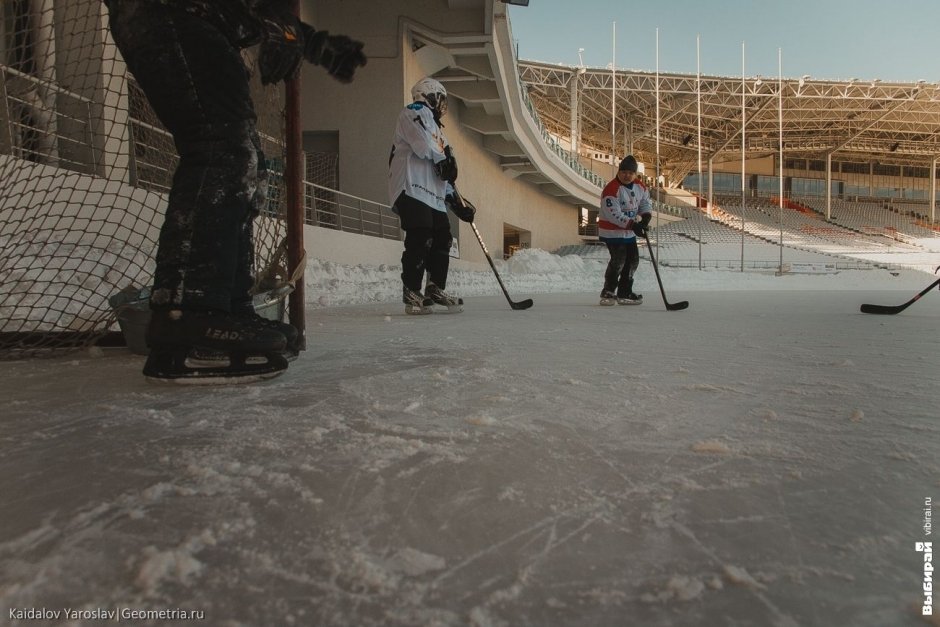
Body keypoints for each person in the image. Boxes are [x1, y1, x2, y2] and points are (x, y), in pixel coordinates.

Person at [104, 0, 366, 382]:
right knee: (222, 150)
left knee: (246, 162)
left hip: (197, 19)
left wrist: (307, 39)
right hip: (172, 13)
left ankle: (225, 306)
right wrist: (291, 31)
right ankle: (189, 312)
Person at [388, 77, 475, 315]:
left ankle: (435, 287)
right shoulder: (414, 111)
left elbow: (443, 174)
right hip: (410, 187)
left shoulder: (440, 132)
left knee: (443, 238)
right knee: (421, 232)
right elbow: (423, 146)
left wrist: (457, 202)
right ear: (430, 96)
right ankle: (412, 290)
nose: (442, 106)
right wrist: (445, 159)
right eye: (440, 99)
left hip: (432, 195)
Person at [598, 155, 652, 306]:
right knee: (619, 261)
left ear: (635, 174)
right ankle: (608, 291)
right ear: (619, 172)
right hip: (612, 232)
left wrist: (645, 218)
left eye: (630, 173)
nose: (627, 175)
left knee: (633, 261)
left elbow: (645, 203)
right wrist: (633, 225)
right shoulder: (611, 189)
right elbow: (613, 214)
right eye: (624, 172)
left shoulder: (640, 186)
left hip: (628, 232)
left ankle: (625, 291)